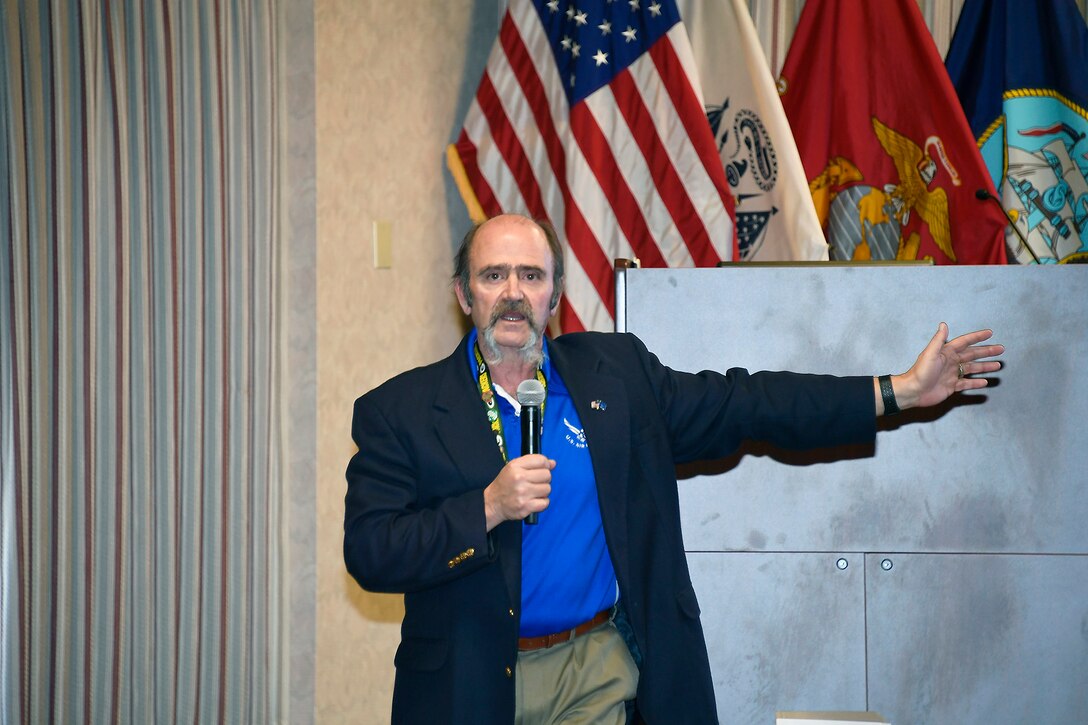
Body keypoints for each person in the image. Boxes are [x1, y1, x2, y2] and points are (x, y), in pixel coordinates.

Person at [343, 213, 1004, 725]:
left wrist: (894, 392)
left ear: (553, 297)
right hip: (469, 677)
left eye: (531, 276)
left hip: (593, 669)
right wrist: (484, 506)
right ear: (463, 292)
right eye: (493, 276)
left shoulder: (616, 377)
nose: (513, 294)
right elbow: (372, 551)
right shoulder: (399, 410)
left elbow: (748, 401)